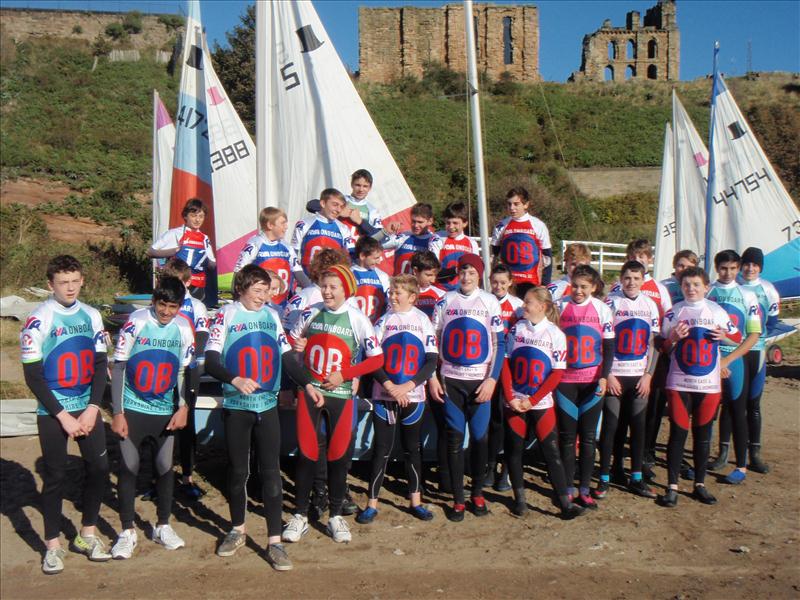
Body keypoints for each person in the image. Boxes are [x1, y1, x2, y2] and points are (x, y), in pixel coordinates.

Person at [21, 255, 111, 574]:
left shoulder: (92, 315)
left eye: (75, 281)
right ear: (50, 285)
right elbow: (33, 375)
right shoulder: (39, 318)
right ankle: (52, 545)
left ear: (82, 281)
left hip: (85, 407)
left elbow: (101, 365)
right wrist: (62, 415)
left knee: (99, 467)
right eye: (63, 283)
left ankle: (86, 534)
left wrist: (92, 407)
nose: (70, 288)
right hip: (53, 411)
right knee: (56, 476)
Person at [282, 265, 384, 544]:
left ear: (346, 290)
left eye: (333, 287)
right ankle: (300, 515)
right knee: (307, 454)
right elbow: (289, 350)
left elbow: (377, 359)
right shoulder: (310, 311)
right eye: (324, 286)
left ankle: (336, 515)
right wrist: (297, 349)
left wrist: (347, 374)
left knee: (339, 457)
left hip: (341, 395)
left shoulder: (358, 319)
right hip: (311, 392)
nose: (327, 291)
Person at [204, 265, 293, 570]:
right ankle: (237, 529)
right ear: (241, 288)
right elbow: (212, 360)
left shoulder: (271, 316)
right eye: (257, 289)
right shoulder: (227, 314)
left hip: (266, 406)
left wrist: (304, 384)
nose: (263, 296)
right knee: (238, 470)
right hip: (237, 405)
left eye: (266, 290)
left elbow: (286, 356)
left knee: (271, 471)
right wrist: (235, 379)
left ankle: (275, 542)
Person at [110, 276, 195, 558]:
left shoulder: (183, 327)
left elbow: (184, 372)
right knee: (130, 466)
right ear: (154, 301)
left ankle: (162, 525)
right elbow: (120, 367)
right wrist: (118, 412)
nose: (167, 312)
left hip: (164, 410)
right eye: (162, 305)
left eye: (173, 306)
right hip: (134, 407)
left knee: (163, 466)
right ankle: (126, 531)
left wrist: (183, 407)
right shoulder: (136, 321)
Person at [356, 274, 439, 524]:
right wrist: (391, 386)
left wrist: (409, 386)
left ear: (412, 297)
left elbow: (431, 360)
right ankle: (372, 503)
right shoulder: (383, 320)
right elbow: (374, 359)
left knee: (412, 449)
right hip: (385, 395)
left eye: (397, 292)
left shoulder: (423, 320)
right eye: (391, 292)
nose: (391, 296)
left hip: (413, 396)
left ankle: (416, 501)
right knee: (381, 449)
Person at [657, 267, 742, 508]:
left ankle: (700, 484)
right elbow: (662, 346)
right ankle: (672, 486)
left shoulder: (716, 310)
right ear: (681, 286)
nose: (691, 289)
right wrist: (672, 337)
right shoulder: (674, 311)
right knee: (677, 434)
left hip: (708, 385)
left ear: (707, 287)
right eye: (686, 285)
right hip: (679, 382)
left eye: (696, 284)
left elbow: (737, 336)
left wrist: (722, 334)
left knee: (703, 436)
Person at [430, 254, 505, 521]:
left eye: (472, 272)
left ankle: (477, 494)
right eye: (463, 271)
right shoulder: (446, 300)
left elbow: (499, 345)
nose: (466, 276)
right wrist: (433, 377)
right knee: (453, 438)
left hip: (480, 381)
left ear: (480, 275)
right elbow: (432, 342)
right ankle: (459, 499)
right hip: (451, 380)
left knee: (479, 439)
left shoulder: (489, 301)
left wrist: (492, 380)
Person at [500, 287, 585, 520]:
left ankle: (565, 504)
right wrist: (510, 397)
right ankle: (520, 501)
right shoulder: (516, 329)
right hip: (515, 400)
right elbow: (505, 364)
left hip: (540, 402)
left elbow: (556, 374)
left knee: (551, 451)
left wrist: (533, 400)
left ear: (542, 306)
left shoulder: (555, 334)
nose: (522, 306)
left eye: (527, 302)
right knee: (514, 451)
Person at [596, 261, 660, 500]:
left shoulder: (650, 305)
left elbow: (654, 345)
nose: (631, 283)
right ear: (620, 279)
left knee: (638, 427)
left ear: (643, 280)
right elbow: (602, 341)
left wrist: (648, 376)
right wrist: (608, 374)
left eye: (636, 278)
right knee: (611, 427)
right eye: (627, 278)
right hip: (615, 374)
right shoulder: (610, 302)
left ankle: (636, 478)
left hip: (639, 376)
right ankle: (605, 477)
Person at [556, 265, 614, 510]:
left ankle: (585, 489)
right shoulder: (559, 306)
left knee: (589, 438)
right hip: (565, 381)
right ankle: (567, 487)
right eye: (575, 285)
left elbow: (609, 347)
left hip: (592, 381)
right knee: (568, 438)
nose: (578, 291)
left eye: (584, 287)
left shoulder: (602, 309)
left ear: (593, 287)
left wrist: (604, 376)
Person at [706, 250, 762, 483]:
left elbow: (753, 335)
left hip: (734, 360)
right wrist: (715, 360)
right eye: (723, 268)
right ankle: (701, 462)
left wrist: (728, 360)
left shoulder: (748, 295)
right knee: (706, 414)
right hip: (709, 361)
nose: (727, 273)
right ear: (716, 268)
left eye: (732, 268)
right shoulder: (707, 290)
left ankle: (740, 467)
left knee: (739, 412)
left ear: (738, 269)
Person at [159, 258, 209, 501]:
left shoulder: (196, 306)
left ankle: (188, 476)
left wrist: (188, 360)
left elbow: (201, 338)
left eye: (179, 283)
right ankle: (158, 477)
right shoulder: (161, 304)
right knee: (160, 421)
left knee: (186, 423)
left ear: (188, 282)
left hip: (188, 369)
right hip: (162, 368)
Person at [735, 246, 779, 474]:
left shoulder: (768, 289)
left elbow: (772, 322)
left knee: (753, 403)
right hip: (733, 350)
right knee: (733, 403)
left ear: (760, 267)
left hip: (757, 351)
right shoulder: (735, 286)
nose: (750, 268)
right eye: (747, 264)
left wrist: (757, 337)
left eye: (755, 264)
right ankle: (725, 452)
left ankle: (755, 453)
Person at [486, 264, 523, 492]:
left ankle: (507, 471)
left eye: (503, 282)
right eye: (495, 282)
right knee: (494, 422)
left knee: (510, 421)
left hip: (512, 369)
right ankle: (489, 466)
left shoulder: (518, 306)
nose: (498, 286)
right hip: (490, 369)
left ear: (510, 282)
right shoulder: (485, 301)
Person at [234, 207, 311, 308]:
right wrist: (236, 298)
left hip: (282, 304)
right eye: (283, 223)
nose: (286, 227)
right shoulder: (255, 243)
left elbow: (298, 272)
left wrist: (312, 291)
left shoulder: (287, 247)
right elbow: (239, 271)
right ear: (270, 225)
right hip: (260, 304)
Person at [149, 198, 216, 301]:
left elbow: (212, 264)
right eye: (193, 216)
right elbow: (151, 252)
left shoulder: (204, 238)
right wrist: (173, 251)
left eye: (201, 216)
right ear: (185, 216)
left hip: (198, 285)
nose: (197, 220)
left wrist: (207, 261)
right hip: (178, 283)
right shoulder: (175, 233)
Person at [491, 187, 553, 295]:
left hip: (531, 283)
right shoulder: (501, 226)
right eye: (509, 204)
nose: (512, 208)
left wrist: (544, 283)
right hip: (508, 284)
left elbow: (547, 257)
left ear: (526, 204)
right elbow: (494, 257)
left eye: (516, 204)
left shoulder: (538, 225)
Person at [291, 188, 354, 276]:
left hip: (331, 281)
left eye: (342, 207)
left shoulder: (343, 228)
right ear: (323, 203)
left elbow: (352, 255)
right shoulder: (303, 224)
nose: (338, 210)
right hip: (307, 280)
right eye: (335, 205)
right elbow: (292, 254)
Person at [428, 202, 479, 292]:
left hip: (463, 292)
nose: (451, 227)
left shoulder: (472, 243)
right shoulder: (437, 238)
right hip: (440, 291)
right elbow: (432, 269)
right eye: (448, 223)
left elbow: (475, 272)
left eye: (455, 223)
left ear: (465, 223)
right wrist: (455, 270)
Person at [383, 203, 440, 275]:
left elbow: (434, 266)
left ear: (430, 221)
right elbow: (375, 245)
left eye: (420, 222)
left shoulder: (434, 240)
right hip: (399, 285)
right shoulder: (403, 236)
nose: (416, 225)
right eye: (413, 221)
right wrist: (386, 232)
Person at [351, 236, 391, 324]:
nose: (379, 262)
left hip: (375, 329)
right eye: (375, 258)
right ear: (362, 256)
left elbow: (389, 304)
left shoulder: (382, 276)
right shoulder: (349, 274)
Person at [411, 251, 445, 320]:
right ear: (415, 271)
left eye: (435, 275)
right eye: (428, 275)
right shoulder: (400, 292)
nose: (433, 280)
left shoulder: (441, 295)